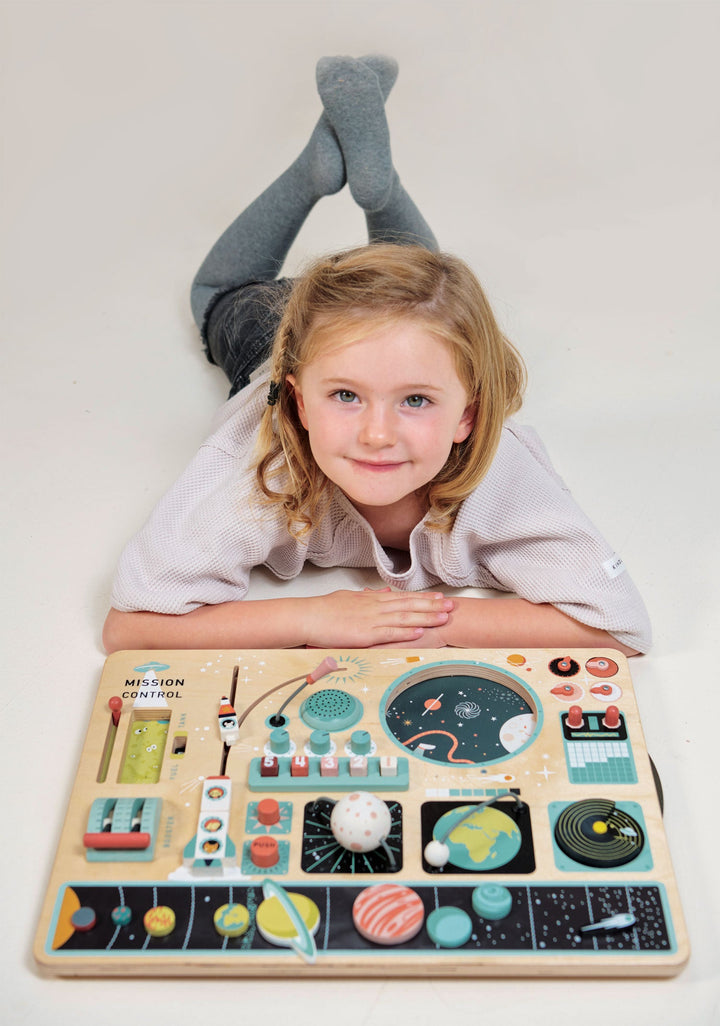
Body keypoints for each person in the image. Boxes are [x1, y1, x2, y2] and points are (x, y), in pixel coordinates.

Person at [103, 56, 650, 657]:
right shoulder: (261, 469)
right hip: (276, 337)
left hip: (360, 339)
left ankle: (377, 185)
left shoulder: (498, 474)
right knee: (219, 294)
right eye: (345, 396)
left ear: (469, 414)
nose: (376, 434)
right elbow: (130, 627)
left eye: (416, 400)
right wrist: (314, 619)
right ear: (299, 401)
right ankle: (314, 174)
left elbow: (617, 625)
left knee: (426, 301)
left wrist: (419, 623)